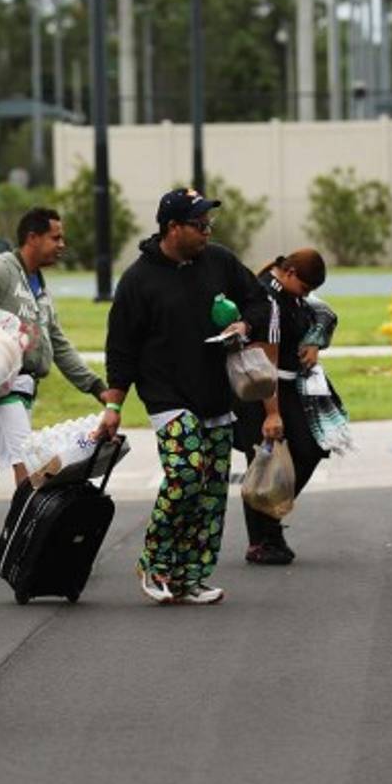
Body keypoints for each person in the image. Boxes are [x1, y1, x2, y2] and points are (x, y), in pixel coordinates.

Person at [95, 188, 270, 605]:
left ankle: (190, 577)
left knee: (211, 491)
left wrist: (244, 326)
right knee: (186, 474)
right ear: (172, 228)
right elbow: (121, 348)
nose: (207, 232)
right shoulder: (138, 281)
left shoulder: (219, 262)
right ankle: (154, 562)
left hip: (215, 393)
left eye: (209, 224)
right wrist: (114, 405)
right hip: (166, 396)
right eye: (199, 225)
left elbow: (259, 300)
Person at [0, 207, 108, 573]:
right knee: (28, 465)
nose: (62, 244)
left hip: (22, 387)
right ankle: (37, 552)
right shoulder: (1, 270)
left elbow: (58, 343)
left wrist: (95, 386)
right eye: (56, 237)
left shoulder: (38, 284)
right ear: (32, 237)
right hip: (3, 388)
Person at [235, 249, 352, 565]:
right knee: (264, 461)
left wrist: (314, 339)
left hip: (286, 387)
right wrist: (272, 413)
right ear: (287, 273)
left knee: (309, 448)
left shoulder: (290, 295)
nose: (308, 295)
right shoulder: (268, 302)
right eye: (305, 288)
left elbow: (323, 312)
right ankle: (262, 539)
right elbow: (264, 365)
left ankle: (269, 524)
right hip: (261, 392)